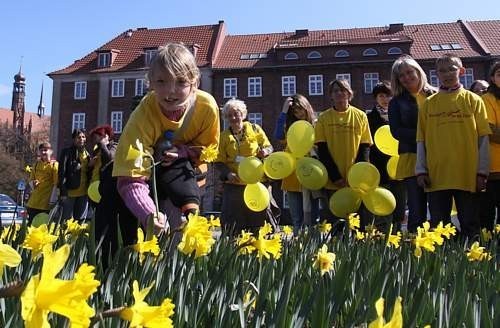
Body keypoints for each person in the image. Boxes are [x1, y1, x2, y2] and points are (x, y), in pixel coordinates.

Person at [112, 43, 220, 238]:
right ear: (150, 82)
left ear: (194, 82)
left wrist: (183, 152)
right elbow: (130, 176)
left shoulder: (206, 107)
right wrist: (147, 214)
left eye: (180, 82)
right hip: (147, 179)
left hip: (187, 182)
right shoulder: (143, 114)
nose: (170, 91)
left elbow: (209, 150)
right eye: (161, 81)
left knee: (180, 234)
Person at [416, 53, 491, 238]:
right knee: (439, 228)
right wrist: (421, 170)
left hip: (467, 174)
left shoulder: (474, 100)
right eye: (442, 71)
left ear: (462, 71)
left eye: (452, 69)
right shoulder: (428, 104)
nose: (447, 74)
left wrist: (482, 172)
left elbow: (483, 139)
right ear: (436, 75)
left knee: (470, 225)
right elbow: (421, 140)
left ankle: (472, 265)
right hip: (437, 176)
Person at [315, 79, 372, 230]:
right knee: (336, 225)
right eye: (335, 91)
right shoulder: (323, 118)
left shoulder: (361, 116)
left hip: (356, 182)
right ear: (331, 96)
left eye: (343, 90)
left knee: (358, 225)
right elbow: (322, 149)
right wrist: (336, 177)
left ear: (349, 94)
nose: (340, 93)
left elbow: (365, 147)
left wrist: (356, 176)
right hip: (333, 180)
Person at [388, 55, 436, 233]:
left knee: (439, 207)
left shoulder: (436, 95)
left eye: (409, 72)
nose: (407, 77)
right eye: (402, 75)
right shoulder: (396, 102)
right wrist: (424, 137)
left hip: (438, 156)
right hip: (412, 157)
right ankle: (415, 246)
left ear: (418, 71)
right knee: (416, 209)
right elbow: (396, 131)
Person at [215, 99, 275, 232]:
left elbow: (269, 147)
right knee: (233, 224)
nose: (233, 118)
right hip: (234, 185)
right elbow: (219, 161)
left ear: (243, 114)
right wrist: (227, 174)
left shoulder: (255, 129)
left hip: (256, 183)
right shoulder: (223, 137)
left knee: (258, 221)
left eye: (236, 114)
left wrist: (265, 151)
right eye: (229, 115)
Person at [273, 94, 320, 233]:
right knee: (296, 219)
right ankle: (298, 246)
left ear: (306, 108)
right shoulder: (290, 126)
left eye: (300, 109)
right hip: (292, 175)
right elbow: (278, 135)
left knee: (312, 218)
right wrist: (283, 111)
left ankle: (313, 246)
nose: (298, 113)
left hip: (310, 173)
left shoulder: (316, 124)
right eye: (294, 111)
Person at [366, 81, 407, 231]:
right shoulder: (369, 118)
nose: (385, 99)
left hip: (399, 167)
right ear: (376, 98)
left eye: (388, 95)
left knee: (399, 207)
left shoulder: (401, 115)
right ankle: (381, 238)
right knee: (382, 207)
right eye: (381, 96)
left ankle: (396, 237)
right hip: (379, 168)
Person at [479, 62, 500, 231]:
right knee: (487, 218)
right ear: (492, 78)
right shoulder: (487, 99)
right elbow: (491, 131)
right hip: (493, 170)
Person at [58, 128, 90, 221]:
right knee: (66, 221)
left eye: (83, 137)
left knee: (80, 221)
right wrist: (63, 192)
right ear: (74, 139)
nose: (81, 139)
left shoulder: (87, 154)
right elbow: (62, 173)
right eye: (78, 137)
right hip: (70, 193)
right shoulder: (67, 152)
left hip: (84, 193)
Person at [26, 142, 58, 223]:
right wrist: (33, 183)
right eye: (41, 151)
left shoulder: (55, 165)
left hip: (45, 204)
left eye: (45, 150)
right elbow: (30, 181)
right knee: (31, 226)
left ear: (51, 151)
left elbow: (56, 184)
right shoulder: (36, 164)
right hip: (33, 203)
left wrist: (52, 200)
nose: (43, 152)